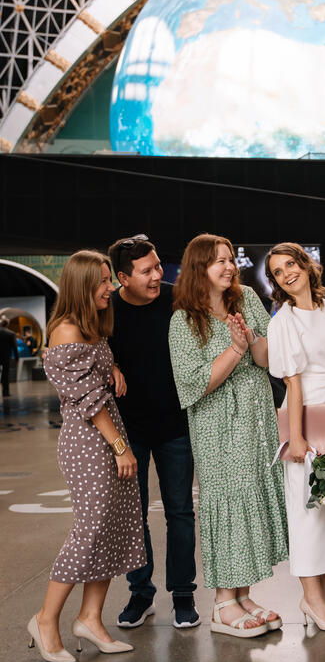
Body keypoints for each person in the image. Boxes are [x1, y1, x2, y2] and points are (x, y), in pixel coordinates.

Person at [29, 250, 145, 662]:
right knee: (91, 530)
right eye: (102, 281)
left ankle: (91, 618)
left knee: (113, 527)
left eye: (109, 279)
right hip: (90, 442)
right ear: (81, 285)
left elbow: (92, 376)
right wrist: (120, 447)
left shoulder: (91, 327)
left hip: (107, 435)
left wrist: (113, 368)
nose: (110, 287)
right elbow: (88, 399)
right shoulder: (65, 330)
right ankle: (45, 620)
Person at [169, 234, 287, 638]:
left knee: (251, 497)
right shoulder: (184, 320)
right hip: (218, 426)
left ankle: (243, 595)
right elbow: (194, 383)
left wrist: (250, 339)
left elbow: (268, 360)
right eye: (218, 261)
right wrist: (234, 350)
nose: (229, 267)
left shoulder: (247, 299)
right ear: (199, 268)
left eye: (230, 259)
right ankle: (222, 604)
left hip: (256, 421)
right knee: (229, 502)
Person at [107, 234, 199, 630]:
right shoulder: (108, 309)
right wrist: (110, 365)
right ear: (123, 278)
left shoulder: (177, 299)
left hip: (175, 426)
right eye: (147, 271)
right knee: (135, 514)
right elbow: (90, 344)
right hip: (129, 431)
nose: (158, 275)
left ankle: (183, 594)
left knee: (180, 513)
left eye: (158, 266)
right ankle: (141, 593)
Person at [265, 242, 325, 632]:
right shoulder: (283, 321)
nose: (287, 273)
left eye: (291, 264)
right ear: (276, 283)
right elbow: (293, 384)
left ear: (305, 265)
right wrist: (296, 437)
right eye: (277, 271)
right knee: (307, 512)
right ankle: (310, 598)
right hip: (304, 414)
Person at [0, 315, 18, 397]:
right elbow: (14, 347)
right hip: (6, 357)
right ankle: (5, 392)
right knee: (5, 374)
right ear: (7, 324)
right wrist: (17, 358)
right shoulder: (11, 333)